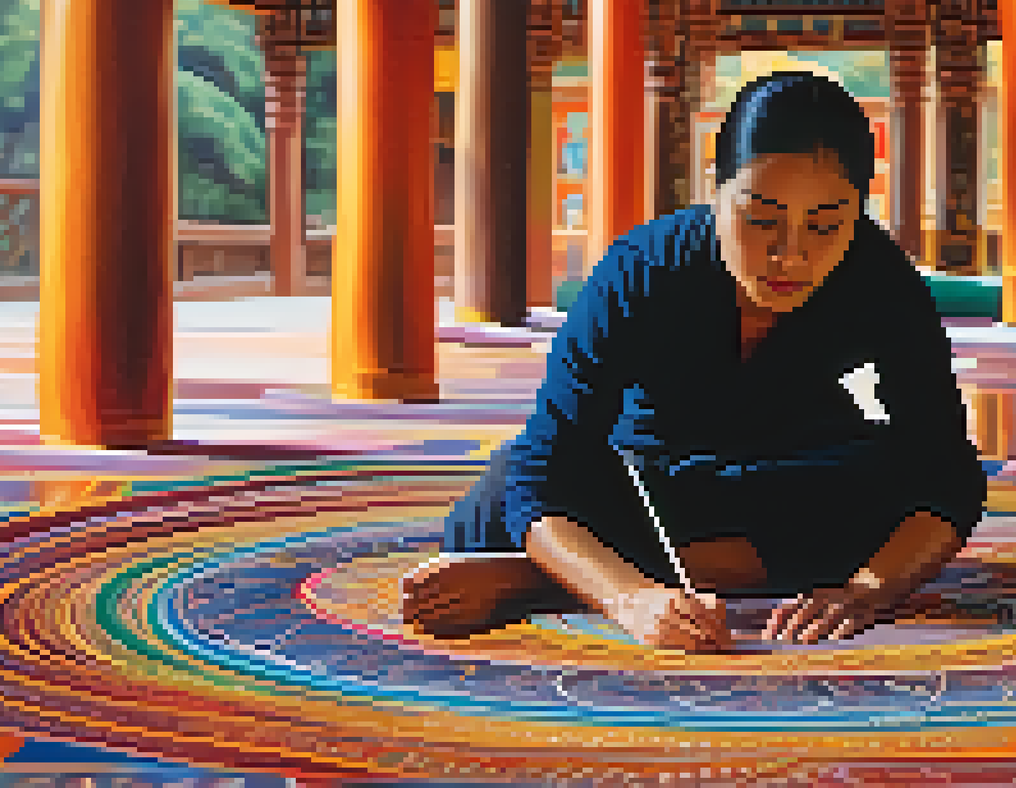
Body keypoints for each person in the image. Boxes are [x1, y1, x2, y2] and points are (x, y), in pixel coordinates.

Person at [404, 71, 986, 653]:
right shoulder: (642, 267)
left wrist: (865, 591)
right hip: (648, 486)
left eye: (826, 224)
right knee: (507, 489)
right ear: (716, 191)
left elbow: (947, 473)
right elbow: (546, 463)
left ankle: (534, 582)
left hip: (788, 488)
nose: (792, 253)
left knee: (888, 487)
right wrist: (630, 600)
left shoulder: (880, 279)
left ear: (859, 209)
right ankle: (605, 575)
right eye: (761, 219)